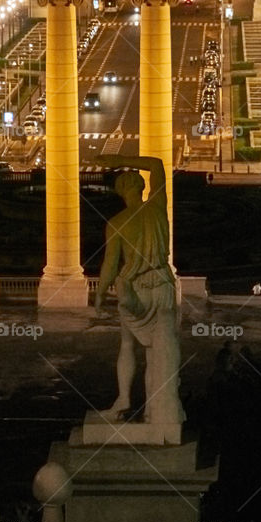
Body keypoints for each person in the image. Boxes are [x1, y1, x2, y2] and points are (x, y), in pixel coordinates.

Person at [94, 154, 184, 437]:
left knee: (127, 344)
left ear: (121, 192)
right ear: (142, 187)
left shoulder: (117, 223)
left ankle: (124, 399)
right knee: (158, 351)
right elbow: (156, 164)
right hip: (164, 287)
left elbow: (110, 265)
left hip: (136, 289)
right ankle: (154, 409)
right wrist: (118, 159)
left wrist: (99, 294)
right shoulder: (157, 208)